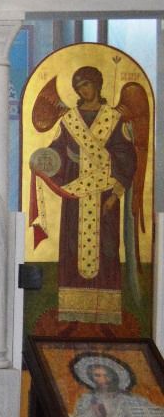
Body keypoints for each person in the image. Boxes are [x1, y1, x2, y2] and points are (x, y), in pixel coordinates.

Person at [30, 66, 138, 325]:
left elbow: (126, 157)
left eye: (87, 85)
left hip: (105, 194)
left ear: (97, 85)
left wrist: (114, 194)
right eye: (79, 88)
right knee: (72, 247)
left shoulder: (113, 119)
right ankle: (71, 310)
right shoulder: (70, 120)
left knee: (107, 249)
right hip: (76, 196)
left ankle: (107, 312)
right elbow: (57, 151)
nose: (83, 91)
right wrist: (42, 161)